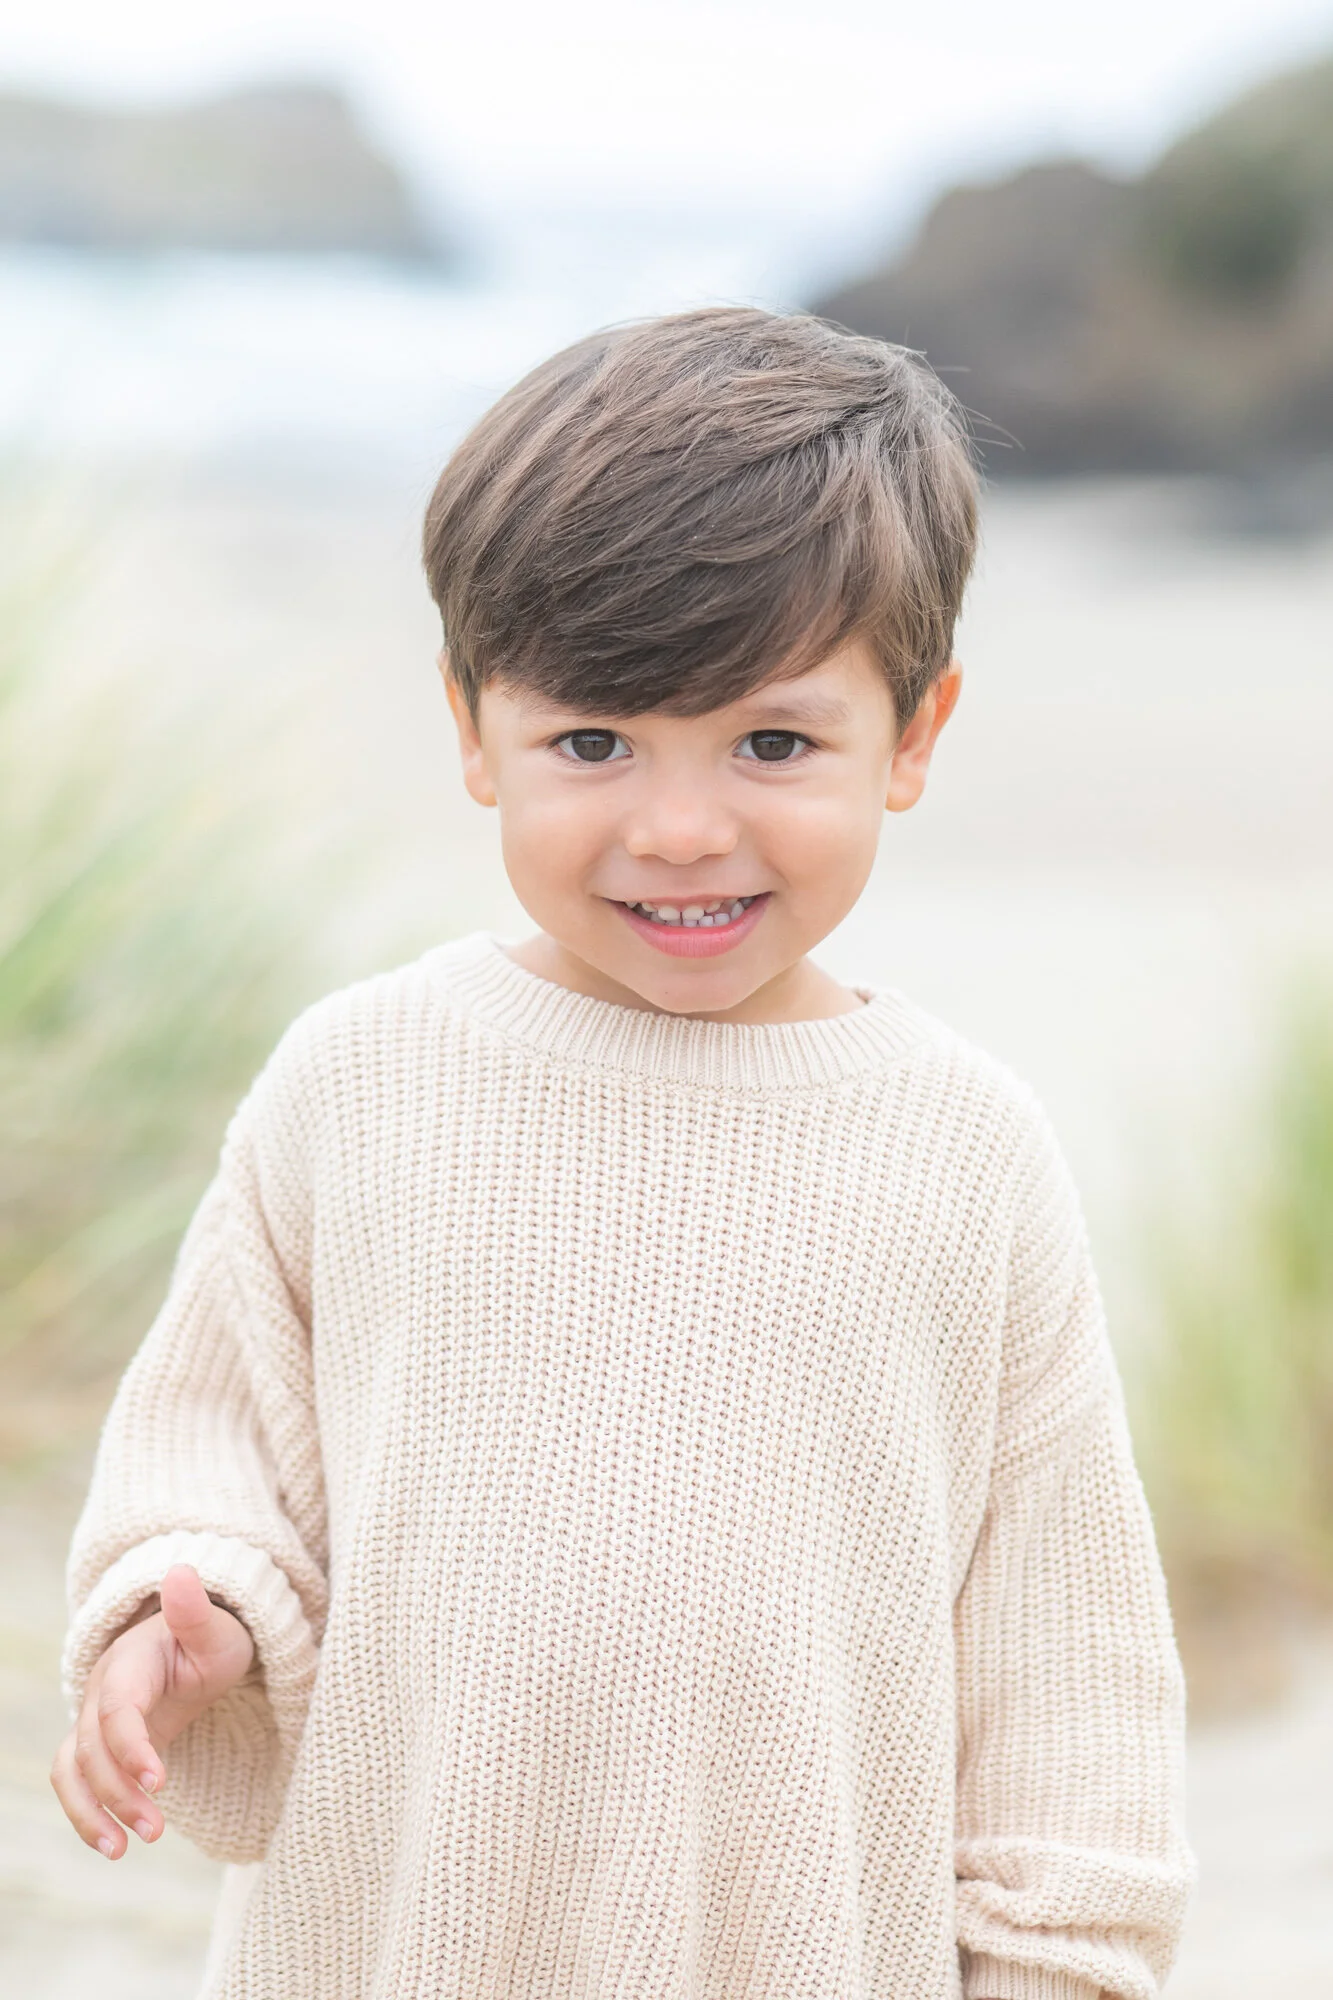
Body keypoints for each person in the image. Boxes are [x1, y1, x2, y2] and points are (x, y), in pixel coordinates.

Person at [51, 306, 1196, 2000]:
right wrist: (182, 1613)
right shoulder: (358, 1085)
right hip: (395, 1941)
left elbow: (1065, 1665)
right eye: (592, 742)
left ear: (918, 734)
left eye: (774, 742)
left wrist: (1061, 1963)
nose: (677, 827)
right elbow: (216, 1444)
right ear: (472, 726)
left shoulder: (966, 1153)